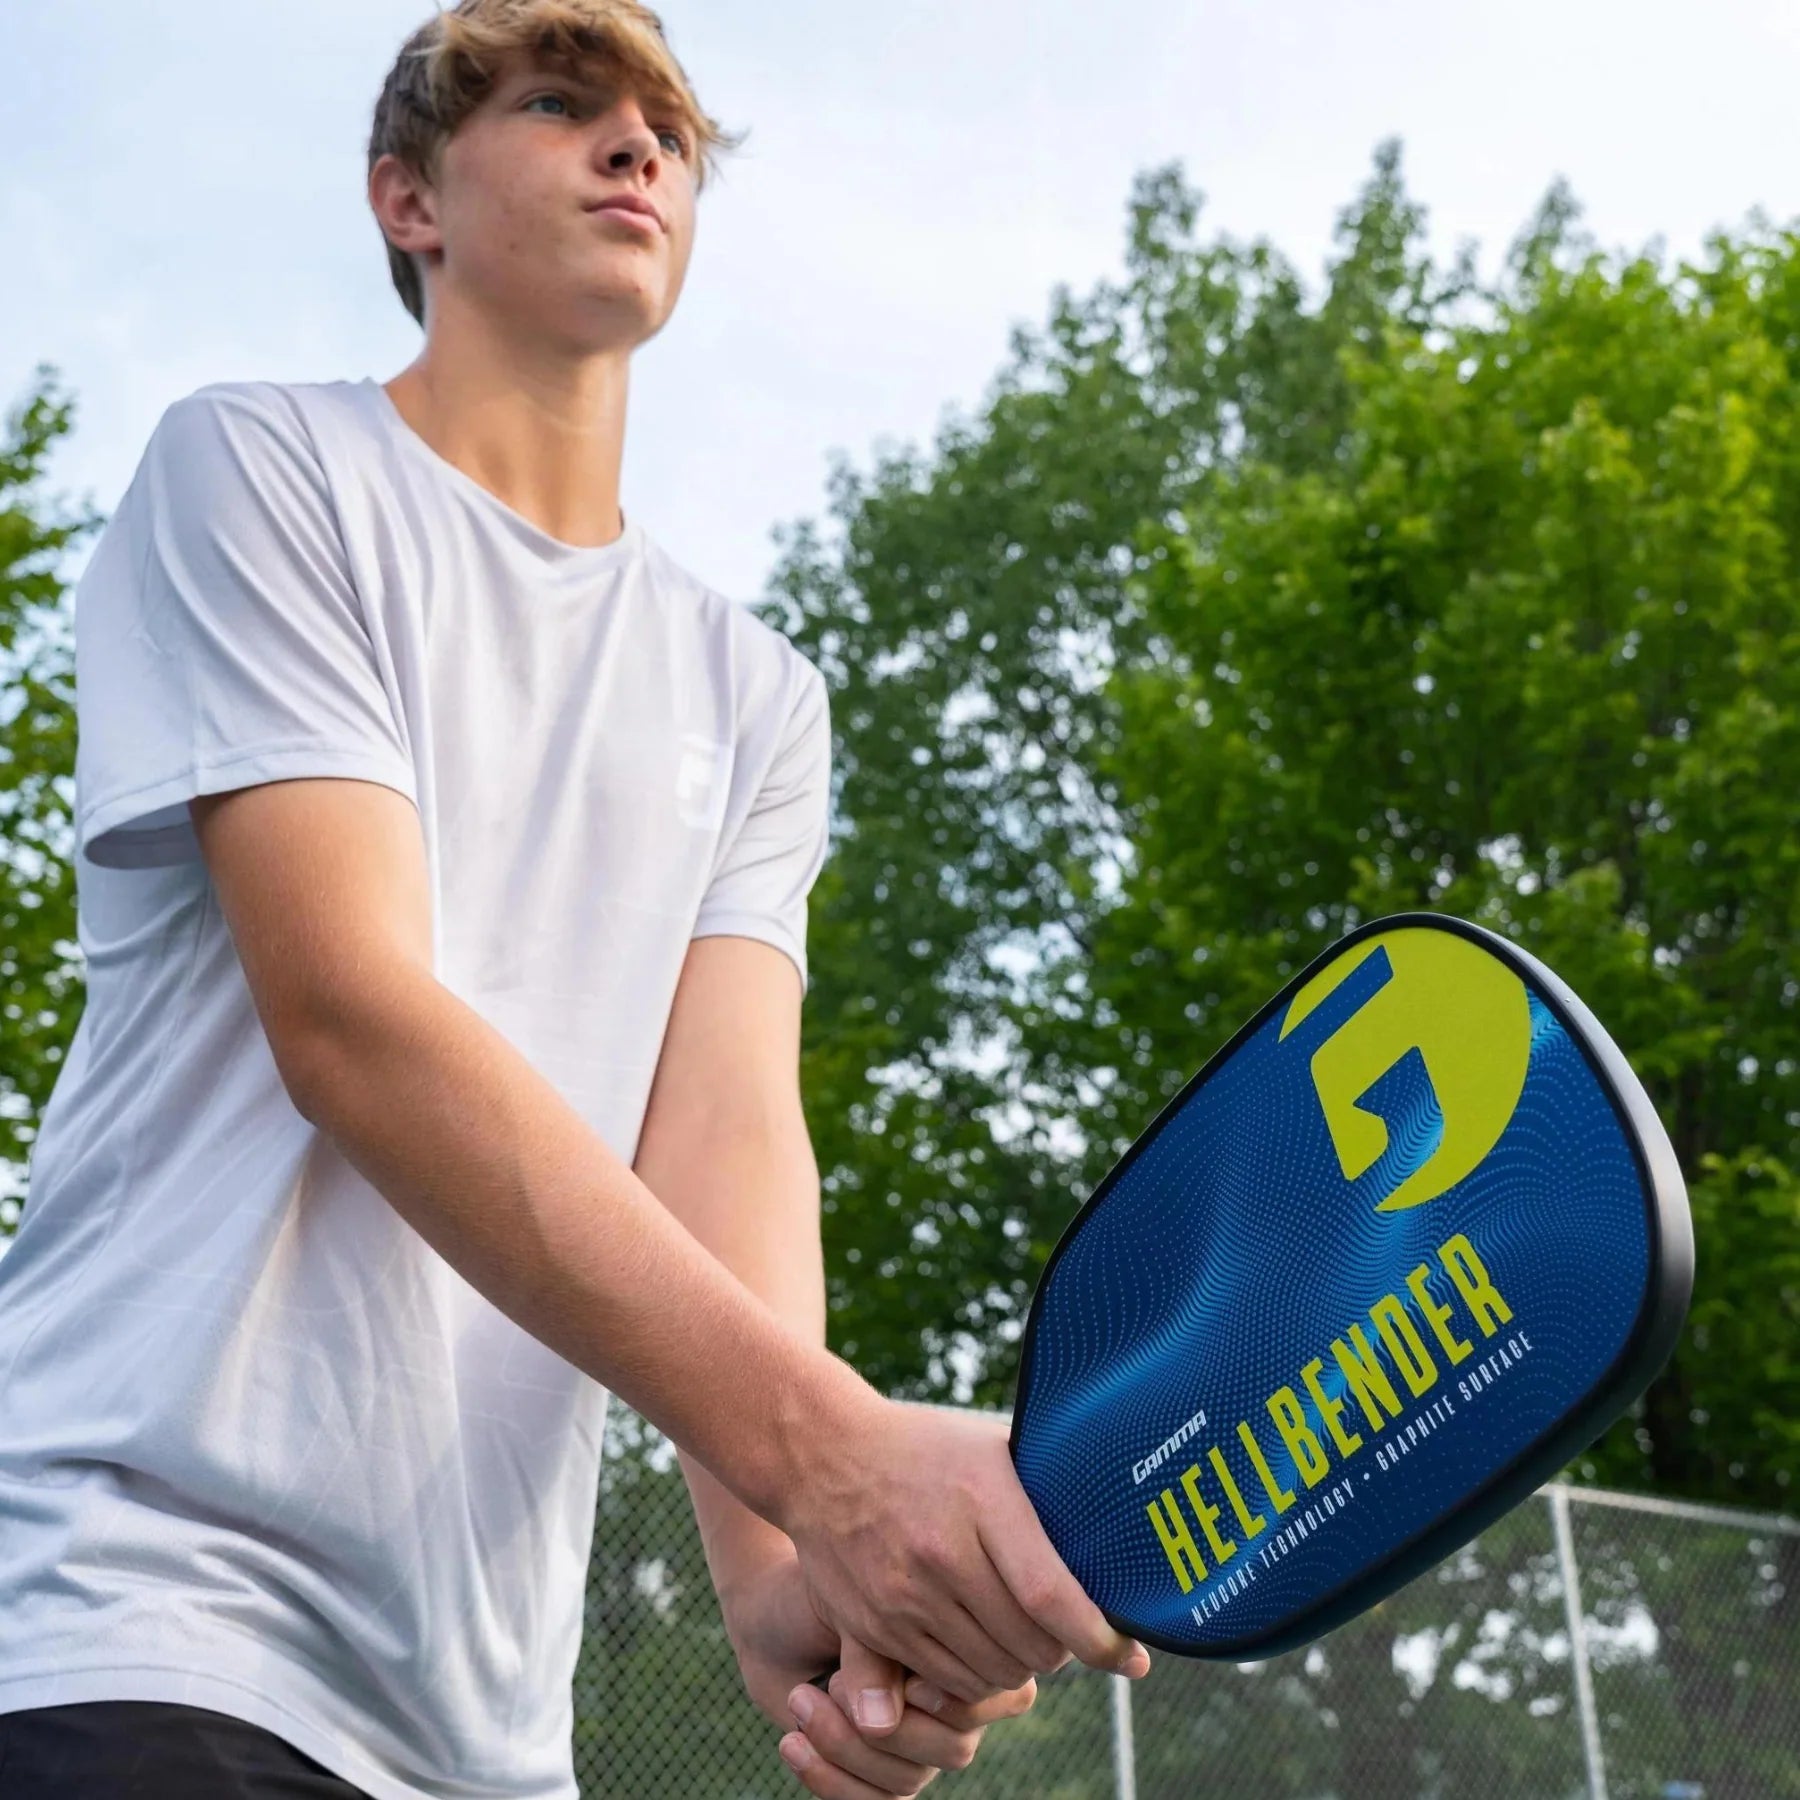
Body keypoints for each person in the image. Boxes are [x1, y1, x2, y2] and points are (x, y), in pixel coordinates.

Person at [0, 3, 1151, 1796]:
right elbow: (353, 1021)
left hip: (479, 1729)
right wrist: (837, 1455)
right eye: (561, 105)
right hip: (141, 1605)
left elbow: (724, 1137)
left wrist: (789, 1559)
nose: (638, 149)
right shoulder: (260, 472)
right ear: (409, 198)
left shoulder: (758, 693)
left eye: (669, 131)